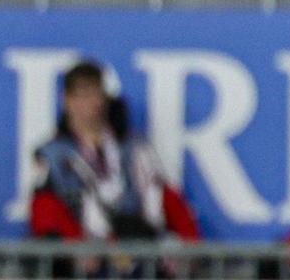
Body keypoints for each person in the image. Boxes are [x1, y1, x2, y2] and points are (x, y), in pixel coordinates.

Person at [30, 58, 197, 242]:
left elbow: (162, 195)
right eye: (82, 94)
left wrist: (190, 242)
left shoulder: (134, 147)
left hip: (139, 247)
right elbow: (45, 210)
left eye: (96, 93)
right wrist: (77, 249)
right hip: (83, 259)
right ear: (67, 99)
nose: (91, 102)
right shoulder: (52, 154)